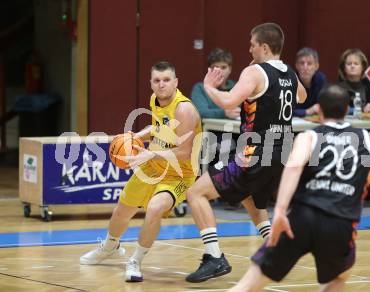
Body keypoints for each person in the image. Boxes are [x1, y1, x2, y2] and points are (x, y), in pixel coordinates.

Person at [229, 84, 370, 292]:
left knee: (247, 286)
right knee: (340, 276)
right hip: (340, 222)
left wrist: (280, 211)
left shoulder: (309, 136)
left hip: (301, 218)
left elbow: (292, 166)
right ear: (348, 110)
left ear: (319, 109)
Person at [185, 22, 307, 283]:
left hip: (255, 151)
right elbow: (302, 97)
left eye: (252, 43)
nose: (249, 48)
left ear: (264, 46)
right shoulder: (290, 72)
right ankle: (275, 248)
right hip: (281, 151)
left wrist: (209, 87)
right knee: (252, 200)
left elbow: (229, 101)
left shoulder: (255, 73)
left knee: (196, 193)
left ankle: (214, 257)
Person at [79, 61, 202, 282]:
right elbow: (157, 128)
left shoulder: (185, 109)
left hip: (180, 174)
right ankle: (110, 246)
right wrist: (137, 136)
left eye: (166, 80)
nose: (161, 85)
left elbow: (185, 152)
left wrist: (151, 154)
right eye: (157, 80)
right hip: (154, 166)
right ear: (151, 83)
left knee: (155, 208)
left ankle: (135, 260)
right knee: (122, 211)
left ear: (176, 82)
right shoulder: (156, 100)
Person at [192, 48, 240, 119]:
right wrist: (224, 113)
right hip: (209, 129)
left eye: (223, 67)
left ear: (229, 69)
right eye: (215, 67)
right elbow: (200, 112)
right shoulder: (200, 88)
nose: (219, 71)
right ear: (209, 69)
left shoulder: (237, 87)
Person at [338, 48, 370, 114]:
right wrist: (362, 110)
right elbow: (339, 108)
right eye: (349, 64)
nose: (352, 66)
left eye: (356, 64)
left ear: (363, 67)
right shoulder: (338, 89)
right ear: (344, 68)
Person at [294, 47, 327, 117]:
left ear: (316, 66)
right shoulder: (290, 81)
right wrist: (307, 111)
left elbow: (325, 106)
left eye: (309, 64)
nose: (305, 67)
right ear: (296, 66)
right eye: (302, 63)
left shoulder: (321, 80)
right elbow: (285, 110)